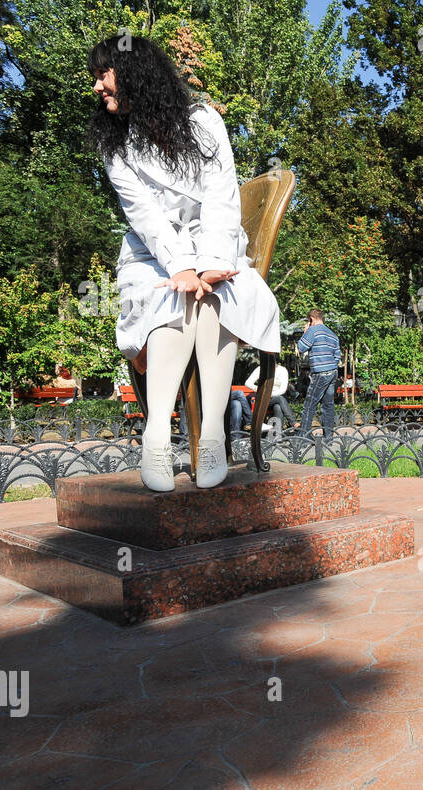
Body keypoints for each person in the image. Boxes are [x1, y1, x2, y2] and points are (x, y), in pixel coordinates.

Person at [90, 35, 279, 492]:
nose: (96, 86)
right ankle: (157, 434)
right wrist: (180, 267)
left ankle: (212, 432)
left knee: (217, 297)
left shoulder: (204, 120)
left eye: (103, 74)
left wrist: (211, 262)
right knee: (168, 299)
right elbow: (145, 216)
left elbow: (221, 193)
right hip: (150, 254)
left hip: (215, 241)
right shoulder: (113, 145)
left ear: (134, 72)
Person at [297, 309, 340, 439]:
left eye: (308, 321)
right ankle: (329, 438)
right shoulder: (332, 334)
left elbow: (301, 347)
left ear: (311, 319)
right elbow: (337, 356)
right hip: (333, 372)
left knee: (309, 404)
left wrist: (305, 332)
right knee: (328, 405)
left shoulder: (312, 331)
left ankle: (302, 439)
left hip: (320, 373)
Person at [245, 362, 295, 431]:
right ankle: (293, 422)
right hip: (263, 399)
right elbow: (247, 383)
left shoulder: (283, 370)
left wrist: (271, 394)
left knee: (278, 407)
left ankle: (277, 433)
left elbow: (283, 389)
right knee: (280, 399)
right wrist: (257, 388)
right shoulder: (260, 368)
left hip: (276, 398)